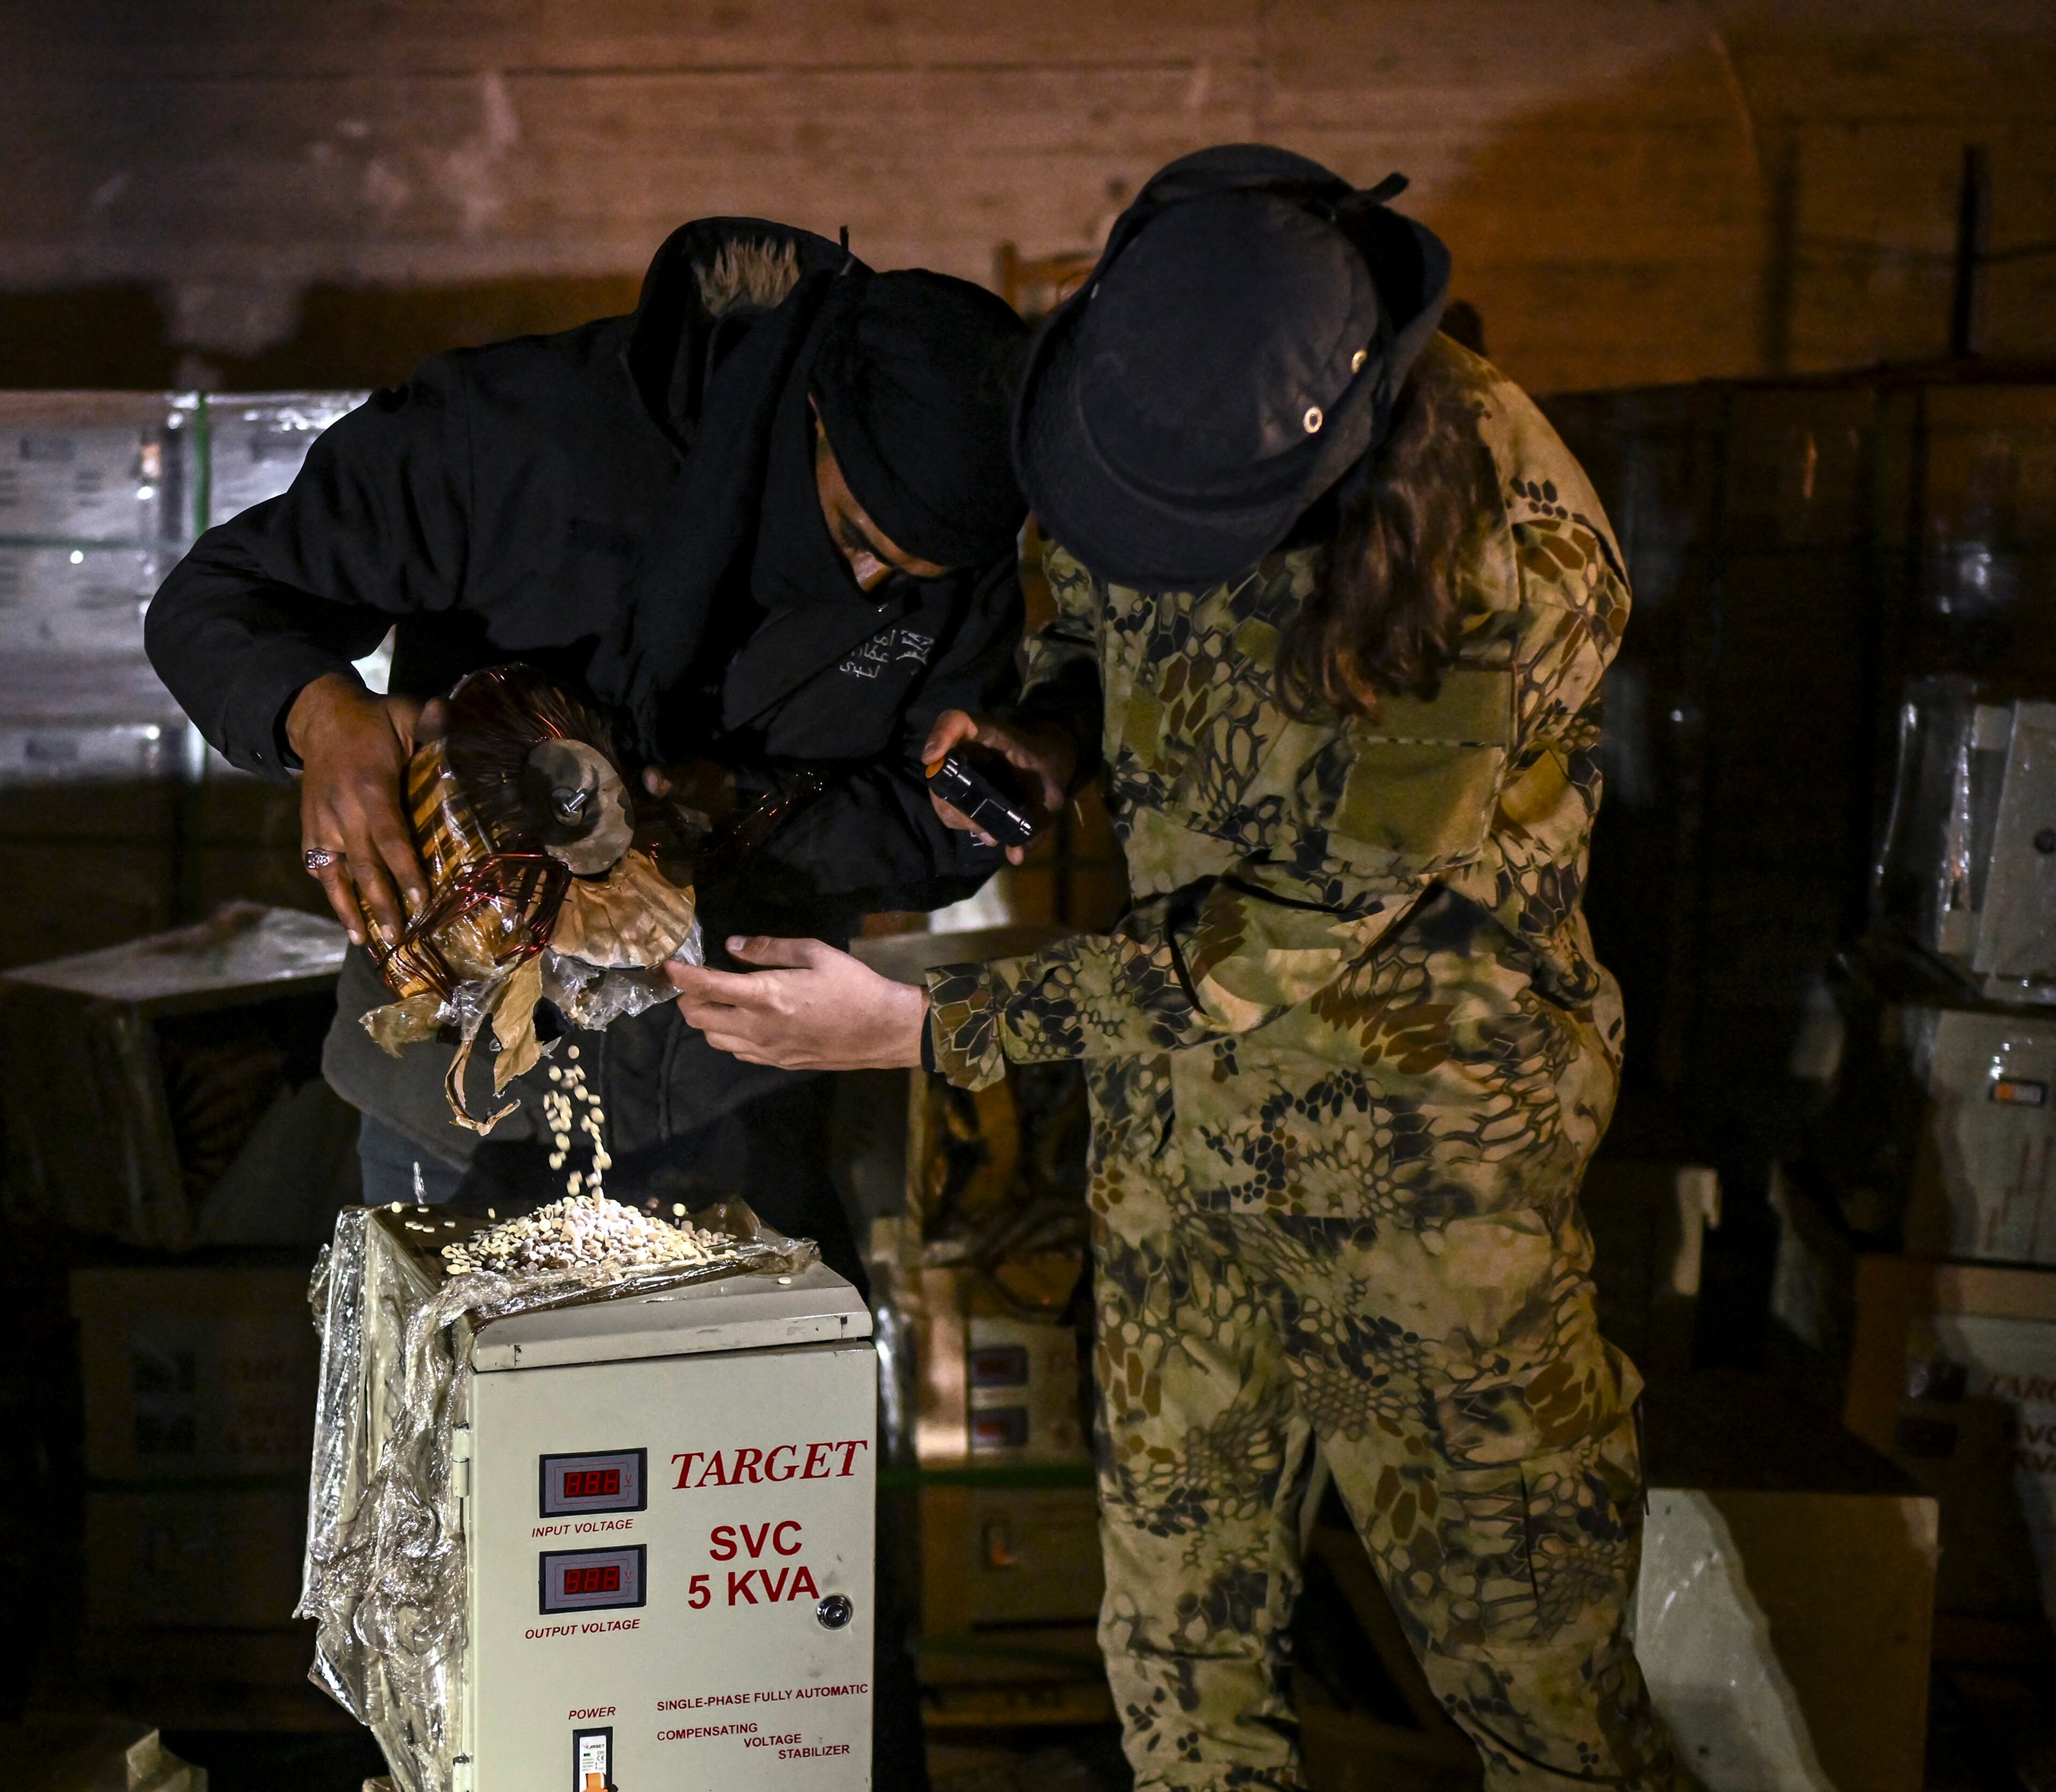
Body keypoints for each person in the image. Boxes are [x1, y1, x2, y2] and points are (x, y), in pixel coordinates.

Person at [667, 148, 1691, 1790]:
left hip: (1431, 1193)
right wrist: (1044, 736)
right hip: (1181, 1161)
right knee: (1177, 1681)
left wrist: (927, 1027)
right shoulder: (1126, 393)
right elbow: (1091, 623)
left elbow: (1297, 921)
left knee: (1544, 1697)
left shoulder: (1513, 548)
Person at [144, 217, 1031, 1289]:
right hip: (453, 1095)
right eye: (852, 536)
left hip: (739, 1093)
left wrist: (731, 814)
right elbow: (217, 601)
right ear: (799, 412)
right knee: (456, 1443)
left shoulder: (951, 546)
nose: (868, 588)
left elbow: (942, 821)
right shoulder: (513, 441)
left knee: (748, 1442)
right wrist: (318, 710)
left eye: (905, 576)